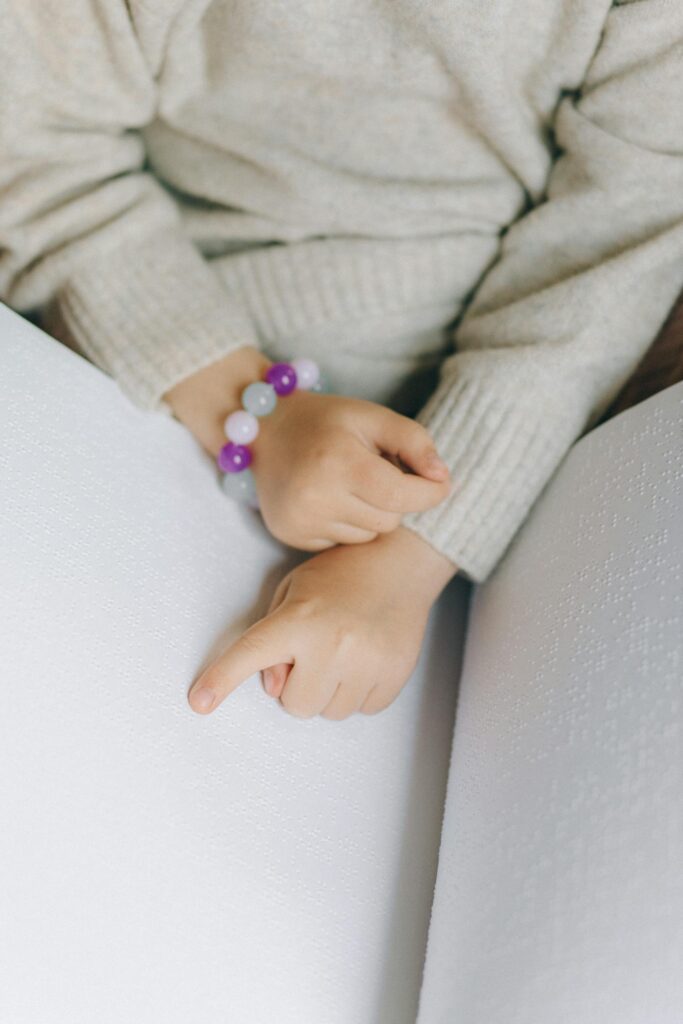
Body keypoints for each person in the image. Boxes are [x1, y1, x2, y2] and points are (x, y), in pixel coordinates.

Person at [1, 0, 681, 720]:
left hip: (509, 468)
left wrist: (410, 558)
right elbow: (39, 158)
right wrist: (252, 412)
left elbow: (612, 255)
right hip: (147, 371)